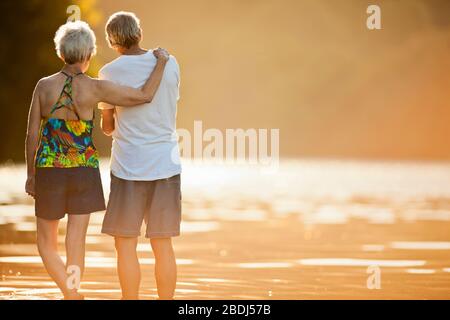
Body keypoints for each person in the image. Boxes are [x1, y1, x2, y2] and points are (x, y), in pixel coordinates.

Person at [24, 20, 170, 300]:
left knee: (46, 245)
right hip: (84, 173)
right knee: (76, 241)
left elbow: (31, 134)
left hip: (49, 172)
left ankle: (70, 293)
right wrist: (161, 63)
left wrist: (31, 175)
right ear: (89, 54)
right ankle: (73, 290)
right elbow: (144, 95)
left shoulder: (43, 87)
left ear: (60, 52)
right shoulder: (96, 88)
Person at [98, 12, 182, 300]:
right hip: (166, 166)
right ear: (140, 33)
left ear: (112, 41)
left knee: (125, 245)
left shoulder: (109, 72)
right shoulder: (171, 64)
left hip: (128, 170)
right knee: (163, 245)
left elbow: (108, 127)